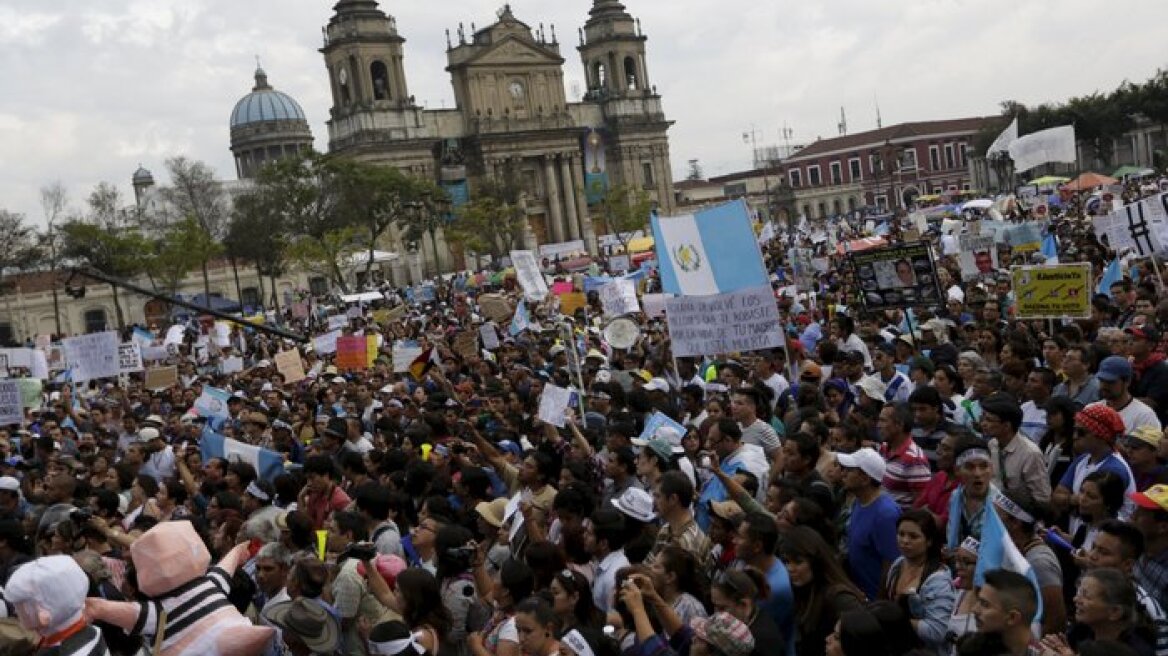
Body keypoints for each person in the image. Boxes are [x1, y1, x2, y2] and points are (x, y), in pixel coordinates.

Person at [778, 526, 865, 656]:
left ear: (815, 562)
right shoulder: (803, 589)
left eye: (798, 562)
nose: (790, 568)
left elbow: (862, 644)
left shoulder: (840, 599)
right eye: (786, 561)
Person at [881, 509, 956, 653]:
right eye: (901, 534)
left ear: (929, 541)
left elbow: (937, 631)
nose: (905, 541)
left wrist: (895, 622)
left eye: (913, 536)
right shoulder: (897, 565)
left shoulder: (938, 581)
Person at [837, 448, 901, 600]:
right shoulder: (858, 501)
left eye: (849, 470)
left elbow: (890, 564)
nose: (843, 473)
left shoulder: (885, 514)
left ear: (865, 479)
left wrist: (878, 604)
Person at [1061, 568, 1156, 656]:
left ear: (1115, 612)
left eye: (1086, 595)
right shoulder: (1081, 631)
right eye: (1079, 593)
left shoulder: (1136, 652)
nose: (1075, 599)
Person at [979, 393, 1050, 508]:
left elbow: (1042, 498)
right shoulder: (992, 444)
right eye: (983, 418)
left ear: (1006, 426)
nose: (983, 424)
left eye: (989, 420)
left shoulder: (1030, 454)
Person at [709, 568, 786, 656]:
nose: (716, 614)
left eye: (721, 608)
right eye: (714, 606)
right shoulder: (737, 629)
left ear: (744, 605)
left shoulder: (762, 642)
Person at [970, 569, 1039, 656]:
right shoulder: (975, 649)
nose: (974, 610)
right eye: (978, 601)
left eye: (985, 604)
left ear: (1012, 617)